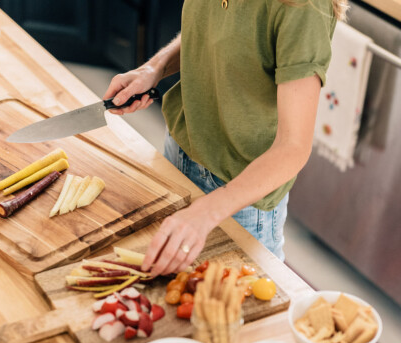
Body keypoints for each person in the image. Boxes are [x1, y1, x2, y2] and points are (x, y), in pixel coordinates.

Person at [103, 0, 348, 277]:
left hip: (237, 199)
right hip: (178, 153)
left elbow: (293, 147)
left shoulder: (305, 8)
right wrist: (155, 67)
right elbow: (215, 28)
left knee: (230, 314)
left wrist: (205, 213)